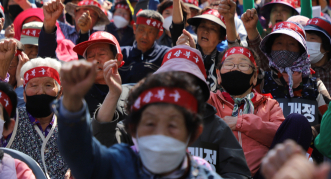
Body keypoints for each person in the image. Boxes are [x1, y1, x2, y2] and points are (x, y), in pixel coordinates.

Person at [92, 44, 252, 179]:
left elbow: (238, 174)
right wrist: (113, 94)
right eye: (171, 79)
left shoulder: (217, 128)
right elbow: (102, 144)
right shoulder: (143, 120)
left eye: (186, 82)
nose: (177, 89)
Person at [57, 62, 225, 179]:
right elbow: (81, 157)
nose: (160, 133)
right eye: (150, 124)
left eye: (172, 125)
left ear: (194, 133)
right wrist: (72, 103)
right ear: (133, 128)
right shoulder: (120, 164)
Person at [209, 47, 284, 175]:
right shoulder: (210, 101)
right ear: (218, 74)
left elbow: (280, 135)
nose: (235, 69)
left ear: (254, 76)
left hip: (260, 175)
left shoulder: (269, 104)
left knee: (297, 121)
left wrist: (241, 123)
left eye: (243, 65)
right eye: (229, 64)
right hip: (218, 174)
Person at [3, 57, 68, 179]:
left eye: (48, 85)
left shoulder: (71, 125)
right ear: (24, 94)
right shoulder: (11, 118)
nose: (40, 91)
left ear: (60, 93)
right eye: (34, 85)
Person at [72, 31, 128, 116]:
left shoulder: (131, 93)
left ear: (118, 58)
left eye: (102, 54)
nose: (96, 60)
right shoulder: (79, 95)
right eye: (90, 56)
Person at [39, 0, 111, 59]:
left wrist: (85, 33)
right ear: (75, 12)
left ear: (97, 20)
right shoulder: (61, 28)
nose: (88, 15)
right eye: (85, 10)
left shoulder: (99, 39)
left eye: (94, 15)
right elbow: (46, 50)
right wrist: (49, 23)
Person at [118, 9, 168, 84]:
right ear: (135, 29)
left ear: (159, 34)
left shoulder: (165, 55)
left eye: (151, 32)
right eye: (141, 30)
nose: (145, 36)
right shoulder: (121, 53)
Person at [303, 17, 331, 97]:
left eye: (312, 38)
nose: (306, 43)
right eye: (304, 38)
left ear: (327, 46)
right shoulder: (296, 70)